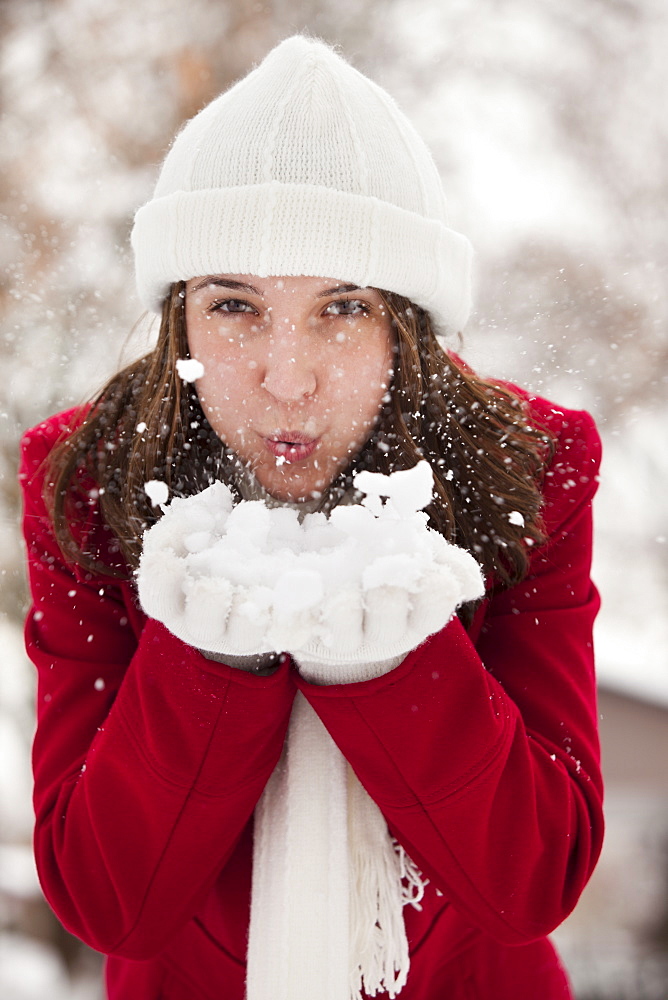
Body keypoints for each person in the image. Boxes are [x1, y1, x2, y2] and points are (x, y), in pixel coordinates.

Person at [19, 34, 603, 1000]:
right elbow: (109, 903)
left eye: (342, 307)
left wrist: (391, 666)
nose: (287, 380)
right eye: (236, 304)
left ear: (405, 324)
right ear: (178, 318)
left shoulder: (530, 469)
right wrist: (210, 663)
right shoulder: (90, 482)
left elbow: (531, 882)